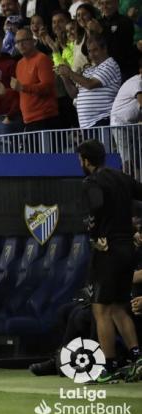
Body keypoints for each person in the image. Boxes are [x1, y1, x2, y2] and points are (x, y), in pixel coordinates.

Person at [78, 139, 142, 382]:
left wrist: (95, 236)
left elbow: (95, 206)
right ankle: (137, 358)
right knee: (117, 306)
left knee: (101, 309)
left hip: (109, 250)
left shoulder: (91, 181)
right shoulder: (122, 177)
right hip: (128, 249)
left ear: (85, 160)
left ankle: (108, 366)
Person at [58, 36, 121, 129]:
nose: (92, 55)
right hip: (87, 125)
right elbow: (73, 94)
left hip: (102, 121)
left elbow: (90, 84)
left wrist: (69, 72)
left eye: (95, 50)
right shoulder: (88, 70)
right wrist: (64, 77)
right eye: (89, 51)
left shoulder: (110, 64)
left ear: (105, 49)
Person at [13, 28, 59, 131]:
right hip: (28, 119)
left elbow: (47, 87)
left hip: (45, 119)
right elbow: (21, 92)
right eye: (17, 42)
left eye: (24, 40)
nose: (20, 44)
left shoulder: (42, 59)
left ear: (33, 41)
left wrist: (23, 87)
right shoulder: (19, 64)